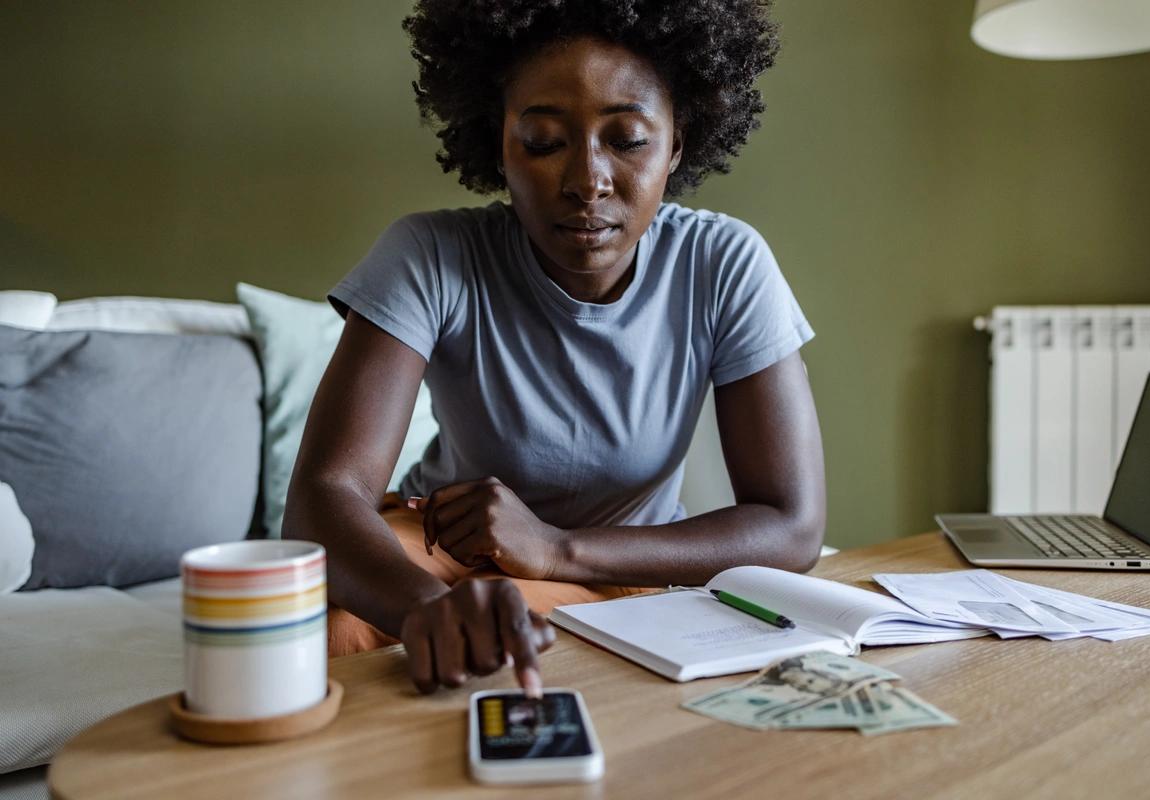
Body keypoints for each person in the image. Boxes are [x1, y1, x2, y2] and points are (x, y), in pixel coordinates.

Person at [283, 0, 826, 698]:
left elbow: (792, 525)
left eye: (627, 139)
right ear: (499, 143)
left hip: (616, 566)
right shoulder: (432, 255)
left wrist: (553, 548)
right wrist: (427, 610)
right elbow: (325, 496)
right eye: (543, 141)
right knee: (325, 621)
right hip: (441, 558)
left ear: (678, 143)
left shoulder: (725, 263)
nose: (586, 180)